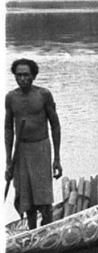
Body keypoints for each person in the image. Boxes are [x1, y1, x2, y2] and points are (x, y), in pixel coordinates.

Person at [4, 58, 62, 228]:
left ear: (33, 76)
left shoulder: (44, 95)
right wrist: (9, 162)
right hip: (21, 151)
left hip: (41, 148)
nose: (22, 79)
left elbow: (55, 126)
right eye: (19, 75)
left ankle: (48, 229)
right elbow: (8, 129)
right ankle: (32, 231)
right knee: (26, 198)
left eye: (26, 75)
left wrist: (57, 159)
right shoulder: (10, 97)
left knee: (44, 197)